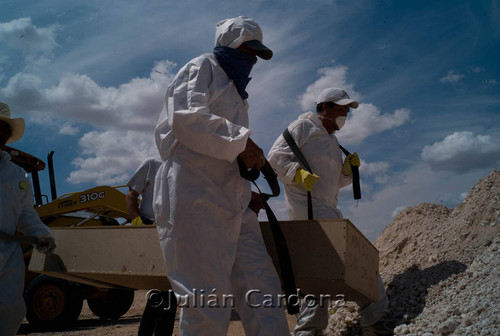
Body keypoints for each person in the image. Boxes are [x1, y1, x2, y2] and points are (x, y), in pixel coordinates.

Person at [153, 16, 289, 335]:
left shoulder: (238, 94)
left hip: (234, 203)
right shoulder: (203, 67)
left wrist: (245, 188)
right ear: (226, 44)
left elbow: (225, 150)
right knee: (207, 302)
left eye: (257, 53)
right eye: (247, 48)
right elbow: (187, 119)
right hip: (194, 196)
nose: (251, 58)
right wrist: (243, 141)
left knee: (263, 291)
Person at [267, 88, 386, 335]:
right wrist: (297, 174)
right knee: (353, 262)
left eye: (347, 110)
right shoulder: (303, 127)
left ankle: (311, 330)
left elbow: (334, 184)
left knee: (318, 273)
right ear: (324, 107)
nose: (345, 114)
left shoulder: (332, 142)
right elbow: (275, 158)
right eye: (341, 108)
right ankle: (375, 320)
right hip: (308, 211)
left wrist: (346, 171)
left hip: (328, 210)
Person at [0, 102, 56, 336]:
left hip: (9, 254)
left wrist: (42, 235)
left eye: (4, 130)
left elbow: (25, 213)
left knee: (12, 310)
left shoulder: (16, 173)